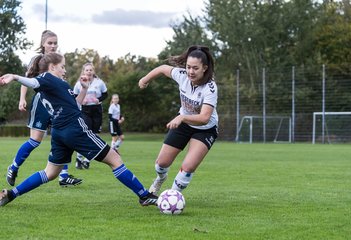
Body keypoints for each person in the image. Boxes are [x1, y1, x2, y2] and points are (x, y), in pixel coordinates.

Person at [0, 52, 158, 207]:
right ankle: (144, 195)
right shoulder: (47, 78)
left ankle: (12, 193)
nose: (65, 70)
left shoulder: (59, 84)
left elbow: (75, 105)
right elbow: (34, 82)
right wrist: (14, 77)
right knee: (115, 160)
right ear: (53, 67)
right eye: (62, 66)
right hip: (75, 129)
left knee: (50, 173)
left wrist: (83, 89)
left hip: (59, 132)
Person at [138, 45, 218, 195]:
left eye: (195, 68)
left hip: (205, 129)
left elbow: (204, 118)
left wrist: (182, 117)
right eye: (188, 67)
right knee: (161, 164)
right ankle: (160, 179)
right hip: (184, 124)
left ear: (205, 68)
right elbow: (162, 68)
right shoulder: (182, 75)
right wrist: (145, 79)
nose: (190, 72)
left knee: (188, 167)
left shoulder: (210, 88)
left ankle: (172, 196)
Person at [6, 30, 82, 187]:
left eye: (55, 43)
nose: (53, 46)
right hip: (41, 103)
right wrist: (22, 99)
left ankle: (63, 175)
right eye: (50, 43)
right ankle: (13, 167)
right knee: (35, 141)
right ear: (43, 44)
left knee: (62, 136)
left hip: (58, 104)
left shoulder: (60, 59)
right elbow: (27, 80)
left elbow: (62, 80)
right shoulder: (37, 59)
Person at [73, 63, 108, 169]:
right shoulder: (79, 83)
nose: (89, 72)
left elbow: (105, 94)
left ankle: (87, 160)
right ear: (83, 71)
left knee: (95, 134)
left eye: (90, 70)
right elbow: (74, 95)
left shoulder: (99, 82)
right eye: (87, 70)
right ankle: (79, 159)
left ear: (93, 71)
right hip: (84, 110)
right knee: (86, 134)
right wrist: (81, 100)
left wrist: (99, 99)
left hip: (97, 110)